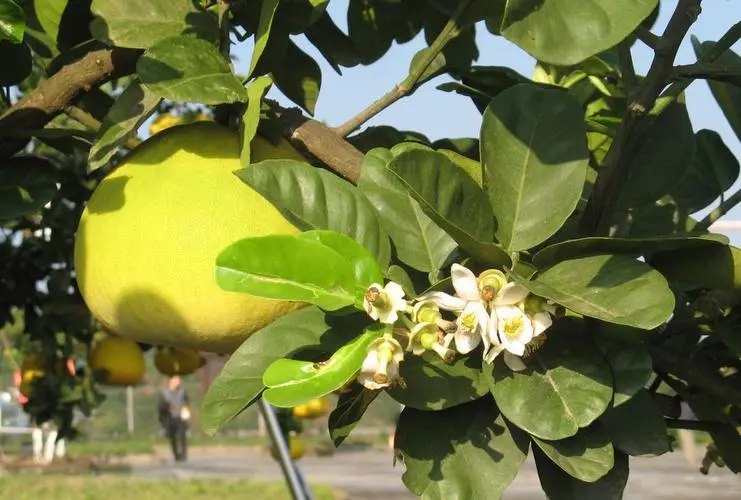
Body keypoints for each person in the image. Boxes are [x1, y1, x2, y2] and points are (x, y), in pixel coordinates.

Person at [157, 376, 190, 462]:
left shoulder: (182, 392)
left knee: (182, 436)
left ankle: (183, 454)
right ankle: (176, 455)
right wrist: (167, 406)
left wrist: (185, 409)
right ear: (171, 382)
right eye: (176, 381)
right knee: (172, 437)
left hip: (180, 417)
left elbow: (186, 402)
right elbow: (160, 407)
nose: (178, 383)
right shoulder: (164, 393)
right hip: (169, 418)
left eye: (179, 381)